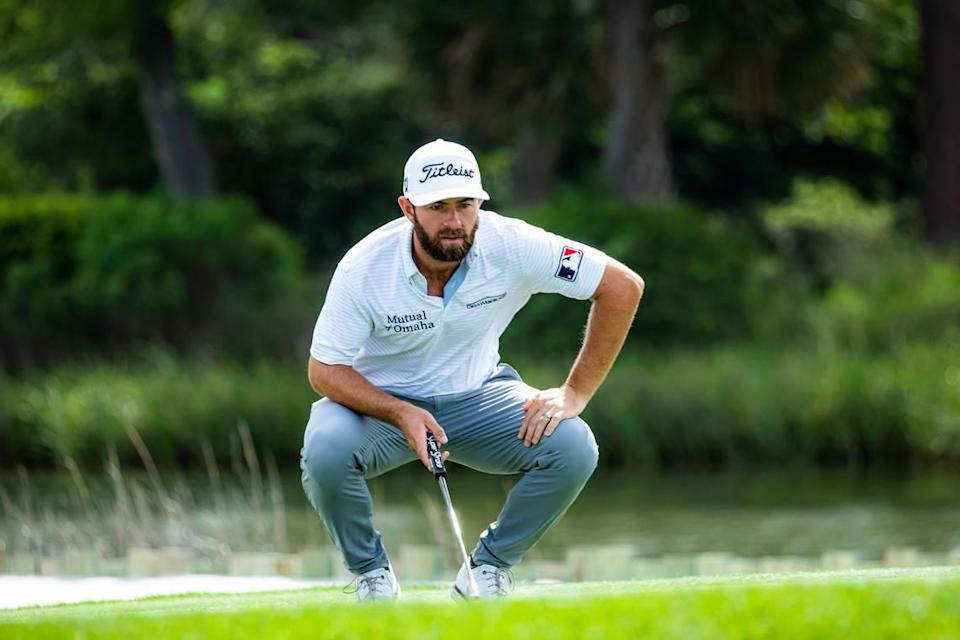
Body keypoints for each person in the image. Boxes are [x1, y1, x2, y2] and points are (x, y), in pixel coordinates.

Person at [300, 138, 644, 601]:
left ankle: (487, 570)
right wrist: (400, 412)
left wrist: (574, 393)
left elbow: (622, 286)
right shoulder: (364, 267)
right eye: (438, 207)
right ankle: (373, 577)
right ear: (408, 209)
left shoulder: (514, 244)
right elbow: (324, 369)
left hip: (479, 396)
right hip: (379, 408)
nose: (454, 221)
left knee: (574, 446)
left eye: (465, 204)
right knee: (325, 451)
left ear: (481, 202)